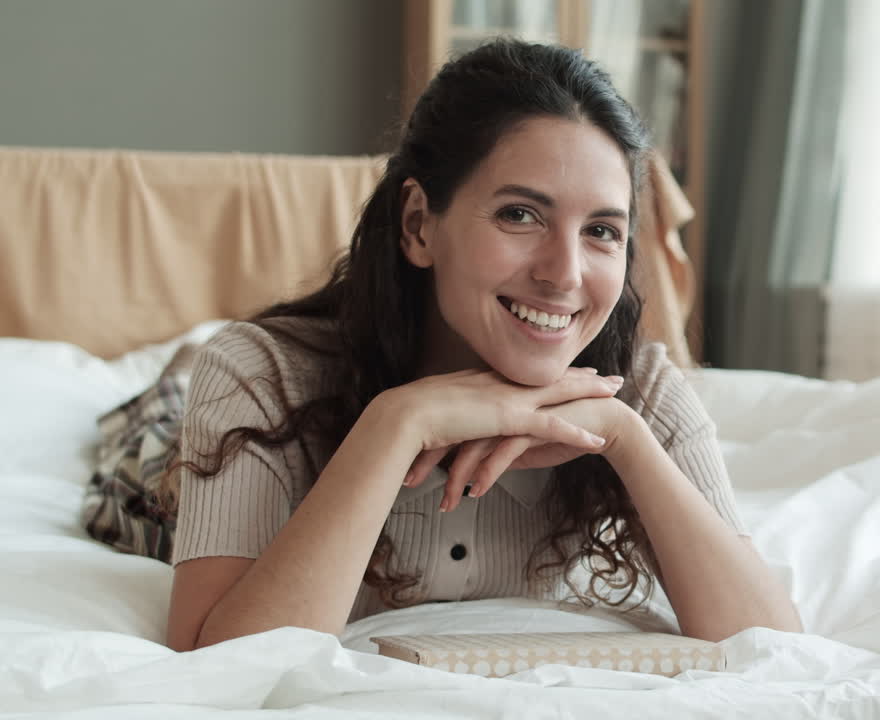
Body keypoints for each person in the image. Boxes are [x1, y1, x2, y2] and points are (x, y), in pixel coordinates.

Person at [85, 38, 802, 652]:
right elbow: (217, 659)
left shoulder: (635, 387)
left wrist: (624, 438)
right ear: (420, 225)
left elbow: (772, 646)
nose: (564, 273)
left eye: (603, 231)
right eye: (520, 215)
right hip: (156, 477)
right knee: (151, 428)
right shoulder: (260, 373)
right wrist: (398, 425)